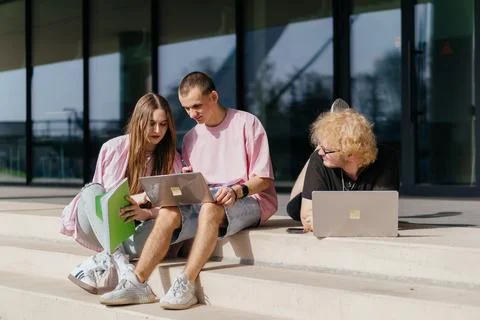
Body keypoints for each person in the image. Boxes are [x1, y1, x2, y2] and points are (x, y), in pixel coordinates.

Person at [100, 71, 278, 309]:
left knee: (210, 207)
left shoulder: (247, 123)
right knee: (168, 212)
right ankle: (137, 282)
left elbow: (263, 178)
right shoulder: (192, 137)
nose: (192, 114)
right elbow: (194, 184)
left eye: (197, 106)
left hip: (248, 197)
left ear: (213, 97)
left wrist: (236, 190)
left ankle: (186, 282)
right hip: (207, 198)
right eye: (186, 109)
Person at [60, 93, 182, 294]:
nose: (158, 130)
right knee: (90, 191)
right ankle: (124, 267)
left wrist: (147, 213)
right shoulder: (113, 148)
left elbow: (175, 207)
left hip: (136, 233)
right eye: (151, 123)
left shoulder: (172, 158)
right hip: (101, 226)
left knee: (162, 229)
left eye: (163, 124)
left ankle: (105, 261)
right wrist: (141, 198)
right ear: (138, 121)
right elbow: (102, 200)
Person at [288, 108, 399, 231]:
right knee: (293, 208)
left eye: (326, 149)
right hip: (300, 203)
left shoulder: (386, 158)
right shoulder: (320, 158)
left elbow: (382, 214)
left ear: (350, 154)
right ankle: (308, 165)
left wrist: (331, 219)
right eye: (319, 146)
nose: (320, 152)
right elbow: (308, 217)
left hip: (334, 210)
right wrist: (357, 216)